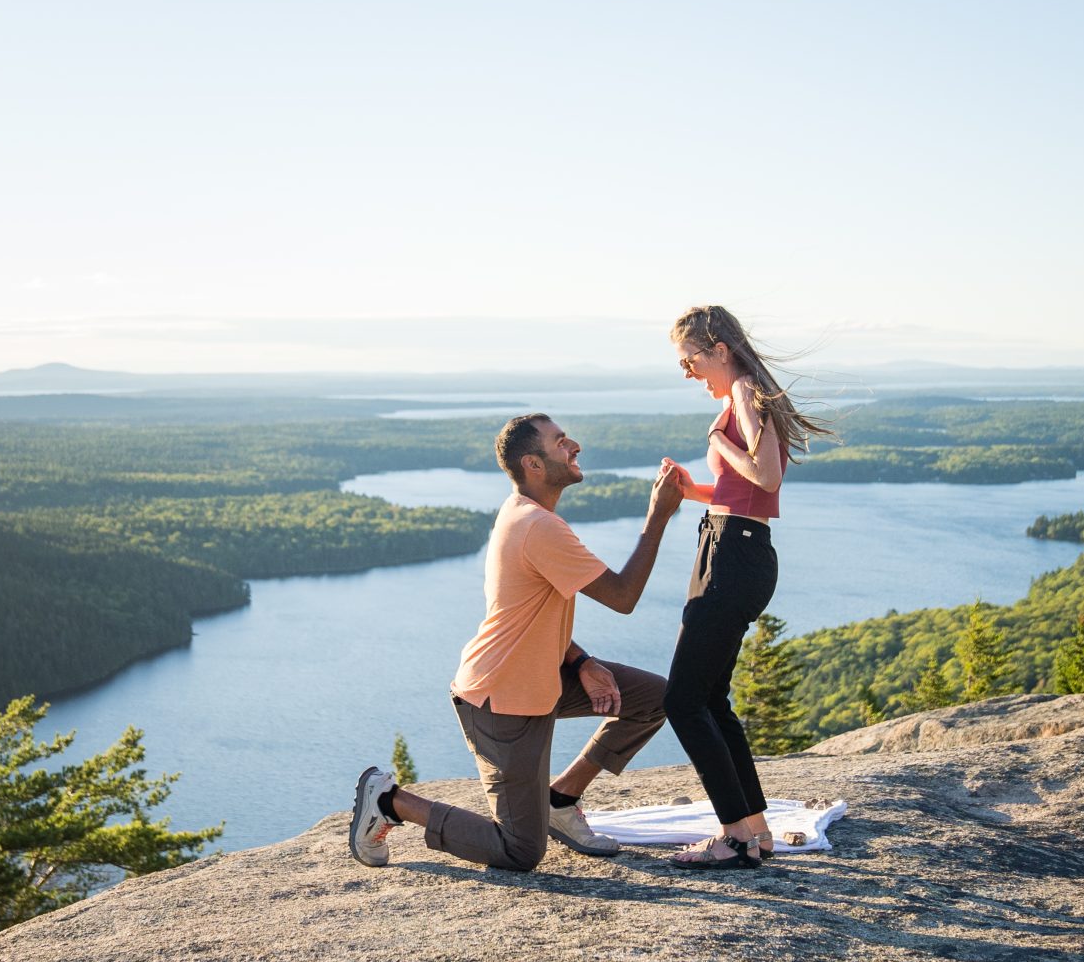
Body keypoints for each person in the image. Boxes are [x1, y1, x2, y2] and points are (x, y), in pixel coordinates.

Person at [350, 414, 689, 871]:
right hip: (503, 698)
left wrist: (583, 660)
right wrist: (658, 515)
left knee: (654, 699)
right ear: (532, 463)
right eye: (560, 442)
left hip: (543, 677)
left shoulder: (526, 514)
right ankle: (390, 802)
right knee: (519, 850)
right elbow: (623, 597)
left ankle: (561, 800)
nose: (575, 446)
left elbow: (529, 613)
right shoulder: (538, 526)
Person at [655, 305, 832, 868]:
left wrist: (718, 439)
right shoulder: (747, 395)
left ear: (720, 351)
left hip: (733, 556)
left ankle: (733, 837)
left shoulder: (745, 394)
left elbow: (768, 476)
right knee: (709, 699)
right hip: (735, 546)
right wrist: (693, 490)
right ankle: (755, 833)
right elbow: (749, 491)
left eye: (691, 361)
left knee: (682, 700)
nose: (688, 374)